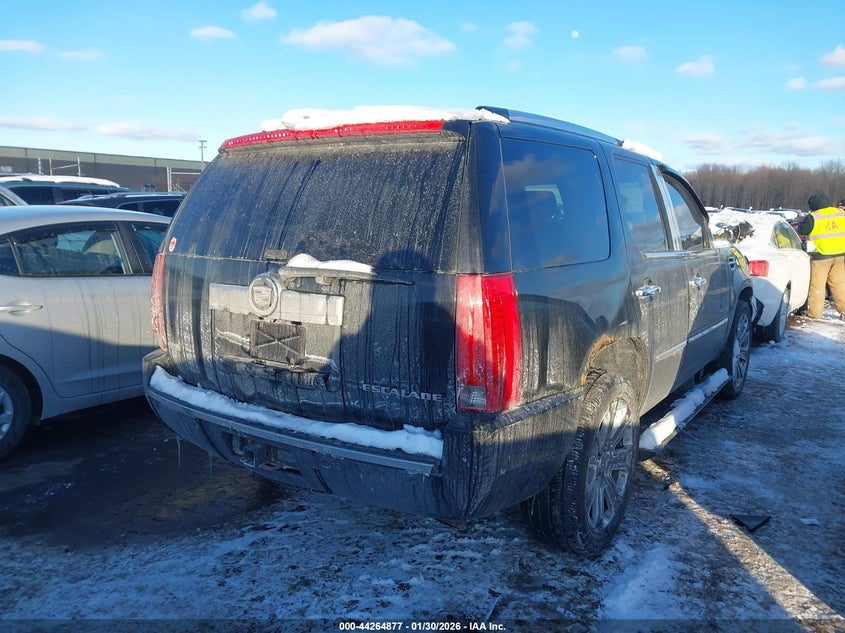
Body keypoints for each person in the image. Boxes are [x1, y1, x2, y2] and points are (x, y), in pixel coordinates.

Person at [795, 193, 845, 319]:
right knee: (839, 284)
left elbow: (802, 231)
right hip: (840, 254)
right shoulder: (840, 213)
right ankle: (844, 311)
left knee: (818, 285)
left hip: (821, 256)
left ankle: (814, 314)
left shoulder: (814, 216)